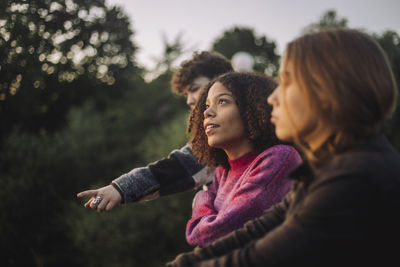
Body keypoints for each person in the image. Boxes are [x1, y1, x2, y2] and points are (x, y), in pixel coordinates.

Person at [167, 28, 400, 266]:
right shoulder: (332, 168)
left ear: (327, 91)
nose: (272, 98)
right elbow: (256, 231)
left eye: (287, 81)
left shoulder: (356, 177)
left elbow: (259, 257)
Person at [77, 51, 233, 211]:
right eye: (186, 94)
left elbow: (177, 168)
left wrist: (120, 189)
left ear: (221, 82)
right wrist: (120, 188)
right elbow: (177, 167)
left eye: (194, 89)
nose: (189, 100)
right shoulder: (211, 138)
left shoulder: (233, 134)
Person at [185, 72, 301, 247]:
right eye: (207, 105)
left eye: (222, 101)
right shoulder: (222, 172)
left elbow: (213, 236)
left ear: (252, 109)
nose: (207, 112)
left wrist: (202, 197)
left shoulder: (279, 159)